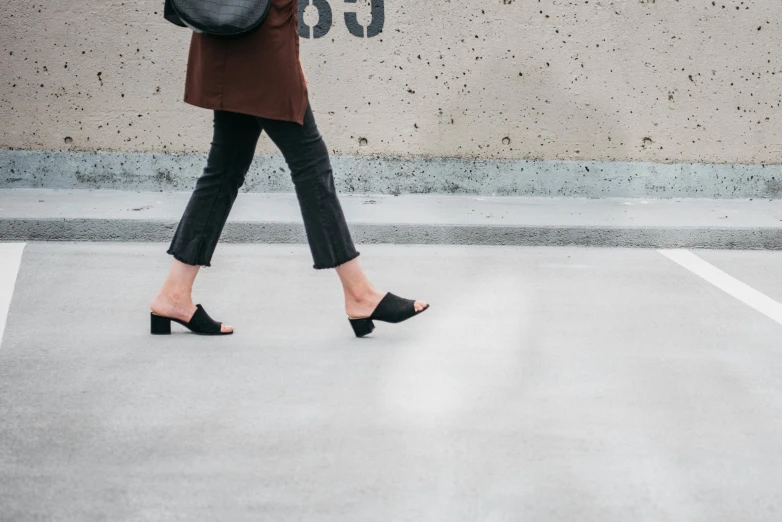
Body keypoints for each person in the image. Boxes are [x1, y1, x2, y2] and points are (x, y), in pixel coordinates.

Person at [149, 0, 428, 337]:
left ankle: (174, 293)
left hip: (240, 35)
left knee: (225, 168)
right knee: (309, 163)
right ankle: (360, 294)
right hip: (258, 42)